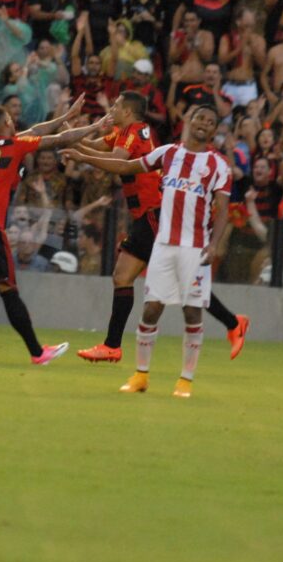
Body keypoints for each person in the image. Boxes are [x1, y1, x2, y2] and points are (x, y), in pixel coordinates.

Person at [61, 104, 231, 398]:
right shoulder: (168, 153)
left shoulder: (218, 165)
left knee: (192, 312)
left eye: (211, 122)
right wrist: (83, 157)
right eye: (200, 118)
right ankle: (141, 376)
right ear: (188, 121)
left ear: (215, 130)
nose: (204, 123)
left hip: (195, 248)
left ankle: (185, 381)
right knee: (151, 308)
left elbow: (224, 209)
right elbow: (126, 166)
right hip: (164, 244)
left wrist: (214, 243)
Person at [0, 94, 108, 364]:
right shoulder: (15, 145)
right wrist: (96, 126)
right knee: (7, 288)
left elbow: (34, 131)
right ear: (7, 123)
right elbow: (56, 140)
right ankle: (37, 352)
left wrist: (65, 117)